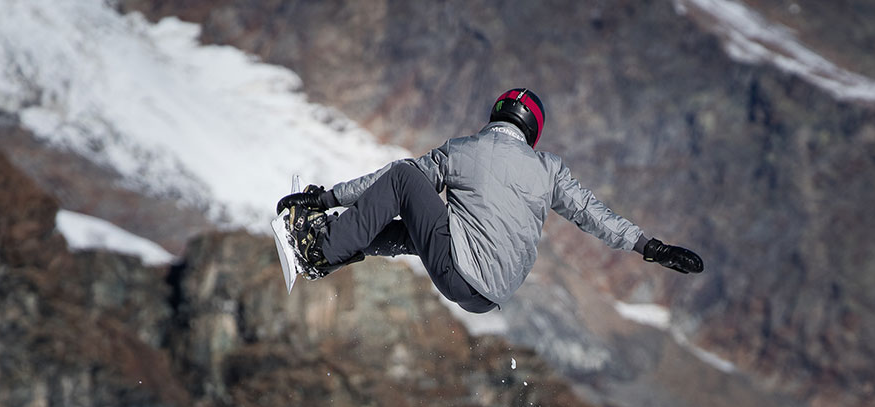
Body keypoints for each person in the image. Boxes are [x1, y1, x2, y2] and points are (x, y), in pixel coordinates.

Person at [275, 88, 704, 315]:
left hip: (460, 269)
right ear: (532, 131)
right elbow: (595, 216)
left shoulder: (462, 150)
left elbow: (388, 182)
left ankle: (319, 247)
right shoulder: (549, 169)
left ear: (495, 116)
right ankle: (335, 249)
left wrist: (325, 195)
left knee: (406, 177)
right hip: (489, 296)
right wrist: (650, 246)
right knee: (417, 229)